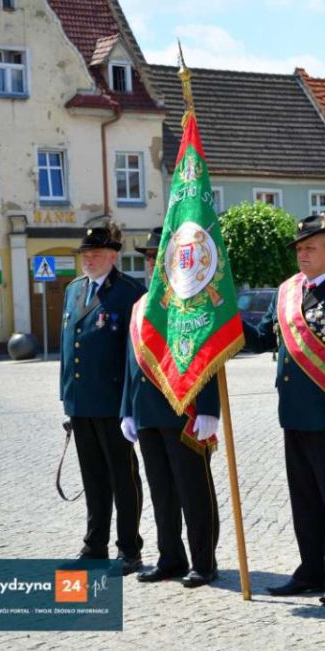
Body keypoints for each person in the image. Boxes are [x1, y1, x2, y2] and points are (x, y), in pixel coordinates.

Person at [243, 214, 325, 606]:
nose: (302, 254)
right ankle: (311, 570)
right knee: (304, 499)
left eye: (310, 248)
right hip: (294, 415)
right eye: (299, 248)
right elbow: (263, 338)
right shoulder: (287, 293)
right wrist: (226, 318)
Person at [119, 230, 221, 589]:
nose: (151, 263)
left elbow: (207, 355)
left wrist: (209, 408)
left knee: (194, 493)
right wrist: (127, 409)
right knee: (161, 493)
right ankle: (170, 558)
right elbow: (131, 363)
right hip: (147, 412)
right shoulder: (140, 305)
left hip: (184, 412)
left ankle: (204, 562)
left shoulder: (191, 302)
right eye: (148, 257)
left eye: (157, 256)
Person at [60, 225, 146, 575]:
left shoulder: (130, 293)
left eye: (95, 254)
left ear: (113, 256)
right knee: (93, 478)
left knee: (123, 478)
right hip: (81, 403)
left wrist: (131, 405)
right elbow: (69, 348)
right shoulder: (74, 289)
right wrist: (67, 397)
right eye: (85, 254)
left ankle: (129, 550)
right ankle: (94, 546)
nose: (88, 260)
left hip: (114, 404)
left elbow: (135, 356)